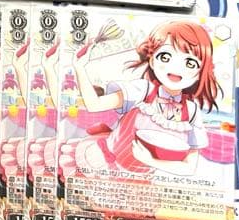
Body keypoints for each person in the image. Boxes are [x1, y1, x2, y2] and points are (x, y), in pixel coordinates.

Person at [73, 20, 220, 175]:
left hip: (140, 179)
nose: (176, 68)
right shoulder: (142, 90)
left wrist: (150, 161)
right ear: (152, 60)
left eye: (190, 63)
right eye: (165, 57)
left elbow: (189, 168)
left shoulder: (192, 111)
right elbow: (94, 104)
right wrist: (79, 68)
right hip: (103, 163)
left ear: (201, 72)